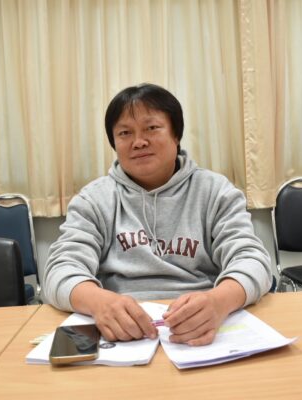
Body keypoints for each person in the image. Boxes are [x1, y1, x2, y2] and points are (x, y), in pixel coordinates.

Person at [43, 83, 272, 346]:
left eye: (151, 128)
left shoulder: (215, 191)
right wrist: (99, 303)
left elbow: (252, 260)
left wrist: (218, 302)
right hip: (122, 332)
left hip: (199, 329)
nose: (139, 142)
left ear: (176, 135)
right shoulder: (93, 199)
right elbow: (60, 270)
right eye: (125, 133)